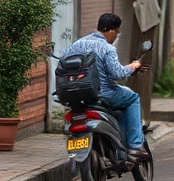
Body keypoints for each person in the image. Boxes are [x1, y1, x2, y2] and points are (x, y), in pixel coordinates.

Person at [61, 13, 147, 159]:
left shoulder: (75, 45)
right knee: (133, 98)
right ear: (112, 31)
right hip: (104, 94)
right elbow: (118, 73)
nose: (116, 36)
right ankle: (135, 145)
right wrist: (133, 66)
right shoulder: (107, 48)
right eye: (117, 32)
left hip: (76, 95)